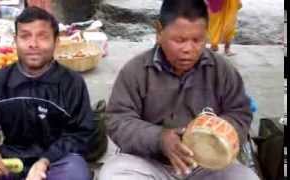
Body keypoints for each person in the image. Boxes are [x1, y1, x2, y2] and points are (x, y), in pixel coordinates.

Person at [98, 0, 259, 179]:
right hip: (150, 162)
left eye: (197, 40)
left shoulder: (222, 70)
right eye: (179, 40)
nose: (188, 49)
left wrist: (219, 132)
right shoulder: (135, 71)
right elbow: (118, 120)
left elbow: (241, 113)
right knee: (113, 174)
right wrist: (159, 139)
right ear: (159, 32)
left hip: (206, 165)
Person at [0, 7, 95, 180]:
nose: (33, 44)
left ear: (56, 41)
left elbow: (81, 134)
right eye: (25, 36)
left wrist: (44, 161)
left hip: (56, 163)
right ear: (15, 41)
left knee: (76, 172)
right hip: (9, 161)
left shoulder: (72, 83)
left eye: (43, 36)